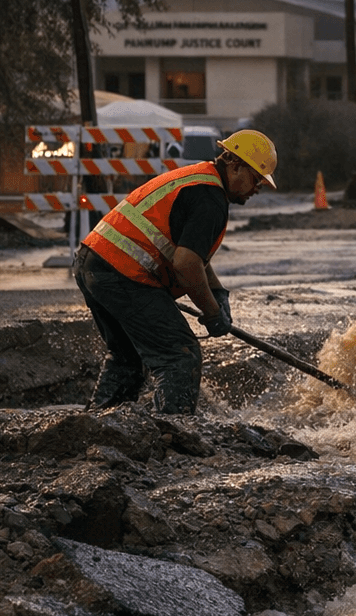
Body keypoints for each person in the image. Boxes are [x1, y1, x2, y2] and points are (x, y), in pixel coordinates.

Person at [74, 129, 278, 415]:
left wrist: (217, 294)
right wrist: (210, 312)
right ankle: (172, 434)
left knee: (127, 358)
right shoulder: (210, 200)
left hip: (92, 262)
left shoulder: (199, 179)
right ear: (235, 166)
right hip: (122, 274)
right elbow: (185, 265)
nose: (257, 188)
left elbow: (193, 257)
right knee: (180, 355)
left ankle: (97, 428)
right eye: (257, 179)